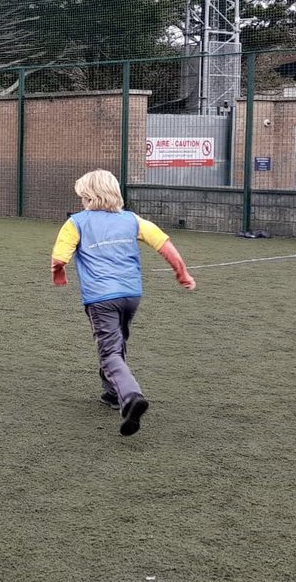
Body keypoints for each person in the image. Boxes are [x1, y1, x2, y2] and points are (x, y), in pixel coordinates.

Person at [51, 169, 196, 436]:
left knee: (109, 353)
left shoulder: (77, 223)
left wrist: (58, 274)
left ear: (89, 197)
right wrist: (182, 273)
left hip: (101, 298)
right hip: (131, 295)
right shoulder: (133, 220)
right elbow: (164, 244)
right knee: (117, 342)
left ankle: (131, 397)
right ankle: (112, 393)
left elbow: (60, 256)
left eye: (83, 196)